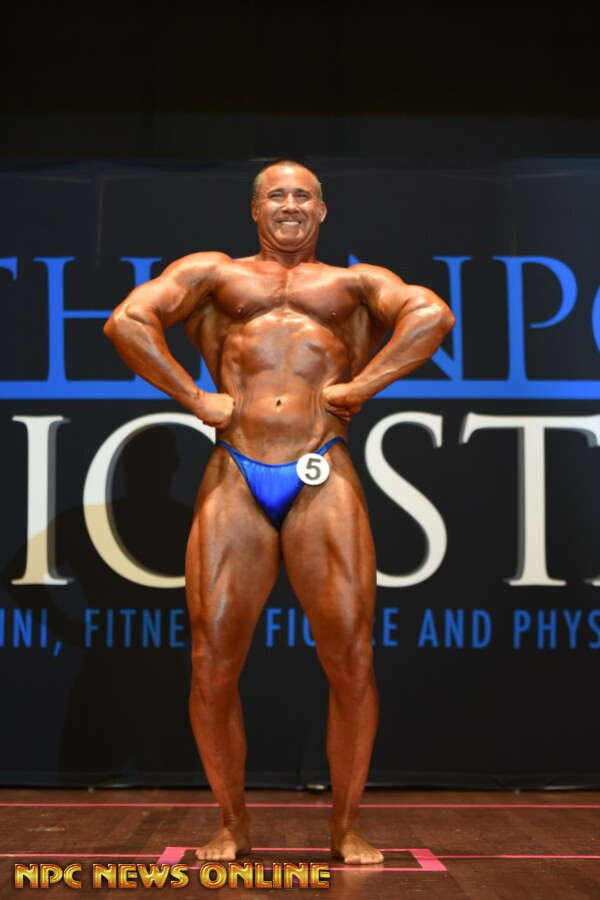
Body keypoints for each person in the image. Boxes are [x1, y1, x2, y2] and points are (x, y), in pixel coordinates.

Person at [104, 159, 454, 865]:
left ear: (321, 211)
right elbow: (127, 321)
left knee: (351, 656)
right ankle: (232, 823)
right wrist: (193, 397)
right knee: (211, 660)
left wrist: (362, 385)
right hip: (235, 470)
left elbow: (432, 314)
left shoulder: (354, 284)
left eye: (302, 196)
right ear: (255, 210)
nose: (289, 205)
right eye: (276, 195)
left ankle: (345, 826)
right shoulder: (215, 274)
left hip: (322, 467)